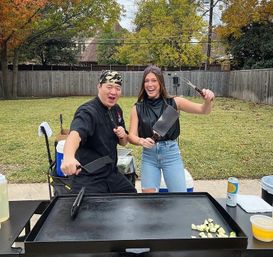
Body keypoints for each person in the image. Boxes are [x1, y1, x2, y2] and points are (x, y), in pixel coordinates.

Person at [128, 65, 215, 193]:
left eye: (154, 80)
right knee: (148, 202)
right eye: (147, 81)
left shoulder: (175, 102)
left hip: (171, 155)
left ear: (160, 82)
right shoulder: (137, 108)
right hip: (149, 157)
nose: (150, 84)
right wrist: (141, 141)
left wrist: (208, 100)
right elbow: (131, 136)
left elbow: (203, 110)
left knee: (179, 198)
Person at [61, 70, 136, 194]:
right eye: (109, 87)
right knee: (93, 210)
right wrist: (68, 157)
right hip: (89, 176)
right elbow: (75, 134)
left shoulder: (116, 110)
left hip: (111, 173)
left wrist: (123, 135)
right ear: (99, 87)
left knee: (131, 197)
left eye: (117, 88)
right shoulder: (88, 111)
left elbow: (123, 143)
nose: (113, 92)